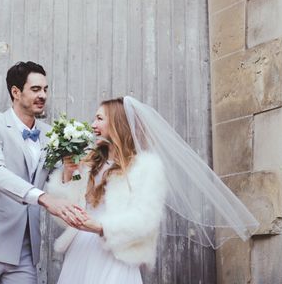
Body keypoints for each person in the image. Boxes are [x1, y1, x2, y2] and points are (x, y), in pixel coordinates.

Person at [46, 96, 259, 283]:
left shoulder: (146, 167)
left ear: (118, 123)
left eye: (99, 118)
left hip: (115, 255)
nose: (93, 124)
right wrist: (68, 173)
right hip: (81, 251)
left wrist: (102, 227)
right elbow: (69, 209)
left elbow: (145, 220)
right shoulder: (91, 163)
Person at [0, 61, 87, 284]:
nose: (43, 95)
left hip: (24, 250)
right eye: (35, 89)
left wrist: (71, 171)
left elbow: (60, 183)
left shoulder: (51, 134)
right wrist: (44, 198)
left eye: (45, 89)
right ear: (15, 92)